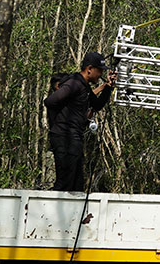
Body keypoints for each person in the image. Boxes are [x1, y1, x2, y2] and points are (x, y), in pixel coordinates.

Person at [44, 51, 115, 192]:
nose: (100, 74)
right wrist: (62, 121)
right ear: (89, 69)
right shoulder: (74, 84)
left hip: (74, 136)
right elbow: (50, 101)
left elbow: (97, 105)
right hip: (64, 136)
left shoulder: (84, 86)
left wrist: (108, 87)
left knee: (76, 182)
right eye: (99, 70)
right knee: (65, 181)